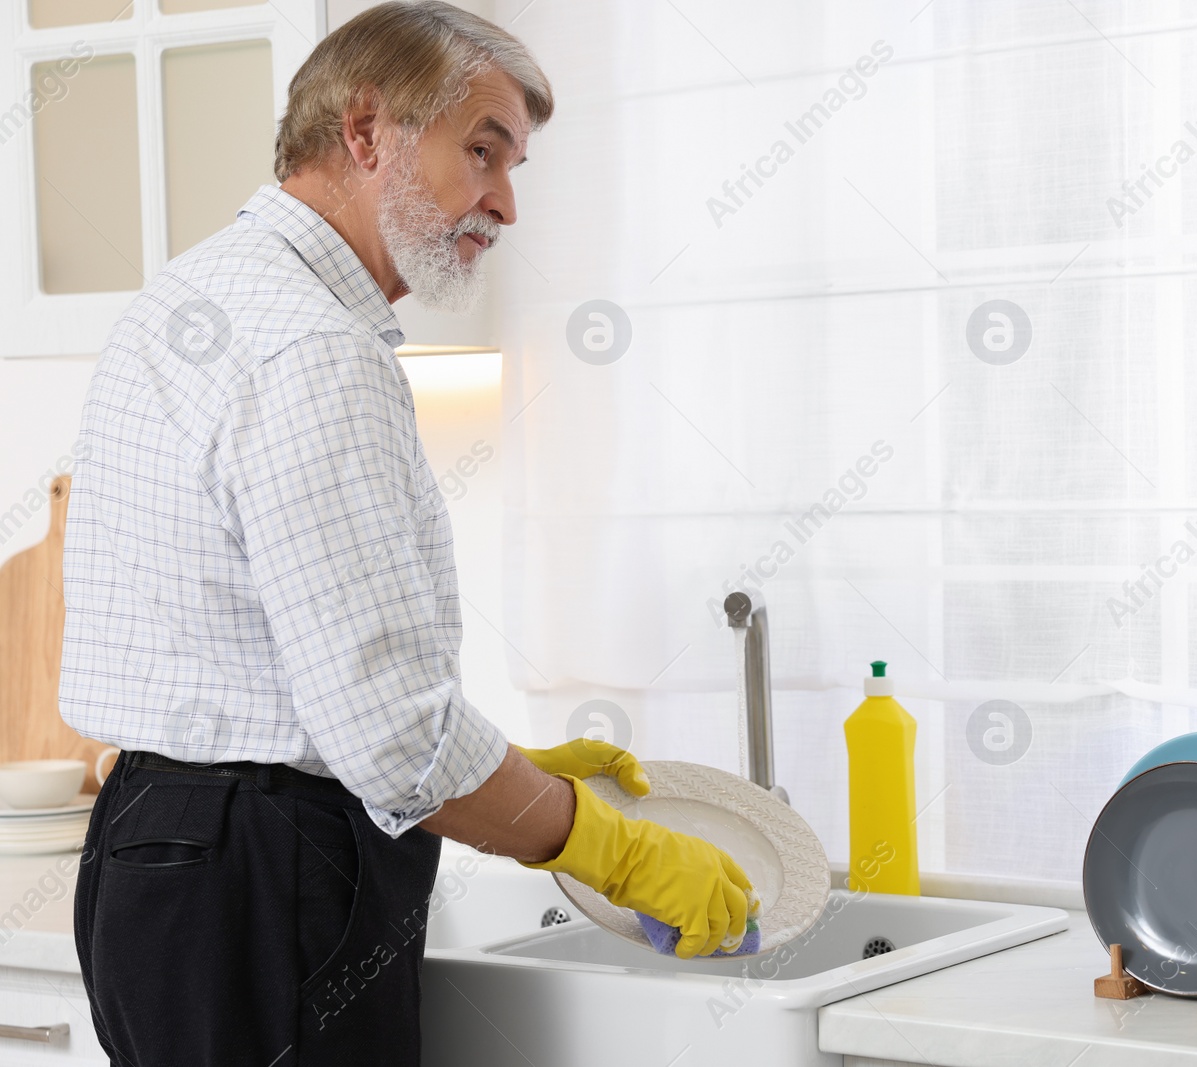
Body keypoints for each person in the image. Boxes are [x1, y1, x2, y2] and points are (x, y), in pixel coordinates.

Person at [57, 4, 751, 1064]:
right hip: (262, 871)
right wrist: (609, 843)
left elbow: (289, 673)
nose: (506, 203)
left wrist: (504, 768)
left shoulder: (199, 291)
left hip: (161, 853)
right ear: (369, 129)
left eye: (514, 166)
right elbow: (391, 737)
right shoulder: (313, 348)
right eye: (483, 151)